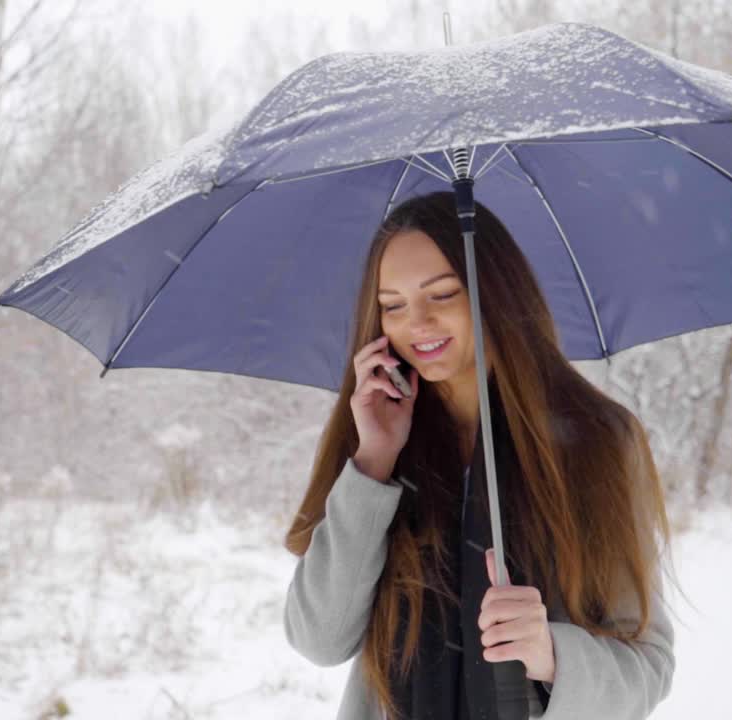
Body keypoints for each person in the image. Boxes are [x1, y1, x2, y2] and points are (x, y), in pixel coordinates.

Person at [283, 191, 677, 720]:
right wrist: (374, 462)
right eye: (392, 305)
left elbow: (646, 666)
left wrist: (549, 654)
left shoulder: (597, 442)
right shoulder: (373, 440)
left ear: (494, 291)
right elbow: (320, 639)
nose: (416, 323)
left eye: (441, 295)